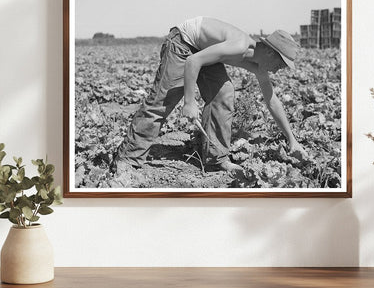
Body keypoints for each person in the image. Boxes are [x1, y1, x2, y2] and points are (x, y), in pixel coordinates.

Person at [111, 16, 307, 174]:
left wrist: (292, 139)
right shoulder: (239, 46)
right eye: (281, 65)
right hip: (183, 42)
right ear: (271, 54)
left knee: (224, 93)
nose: (278, 71)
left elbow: (272, 100)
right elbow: (193, 62)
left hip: (202, 51)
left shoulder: (258, 66)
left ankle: (216, 158)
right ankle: (128, 158)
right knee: (163, 100)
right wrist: (189, 102)